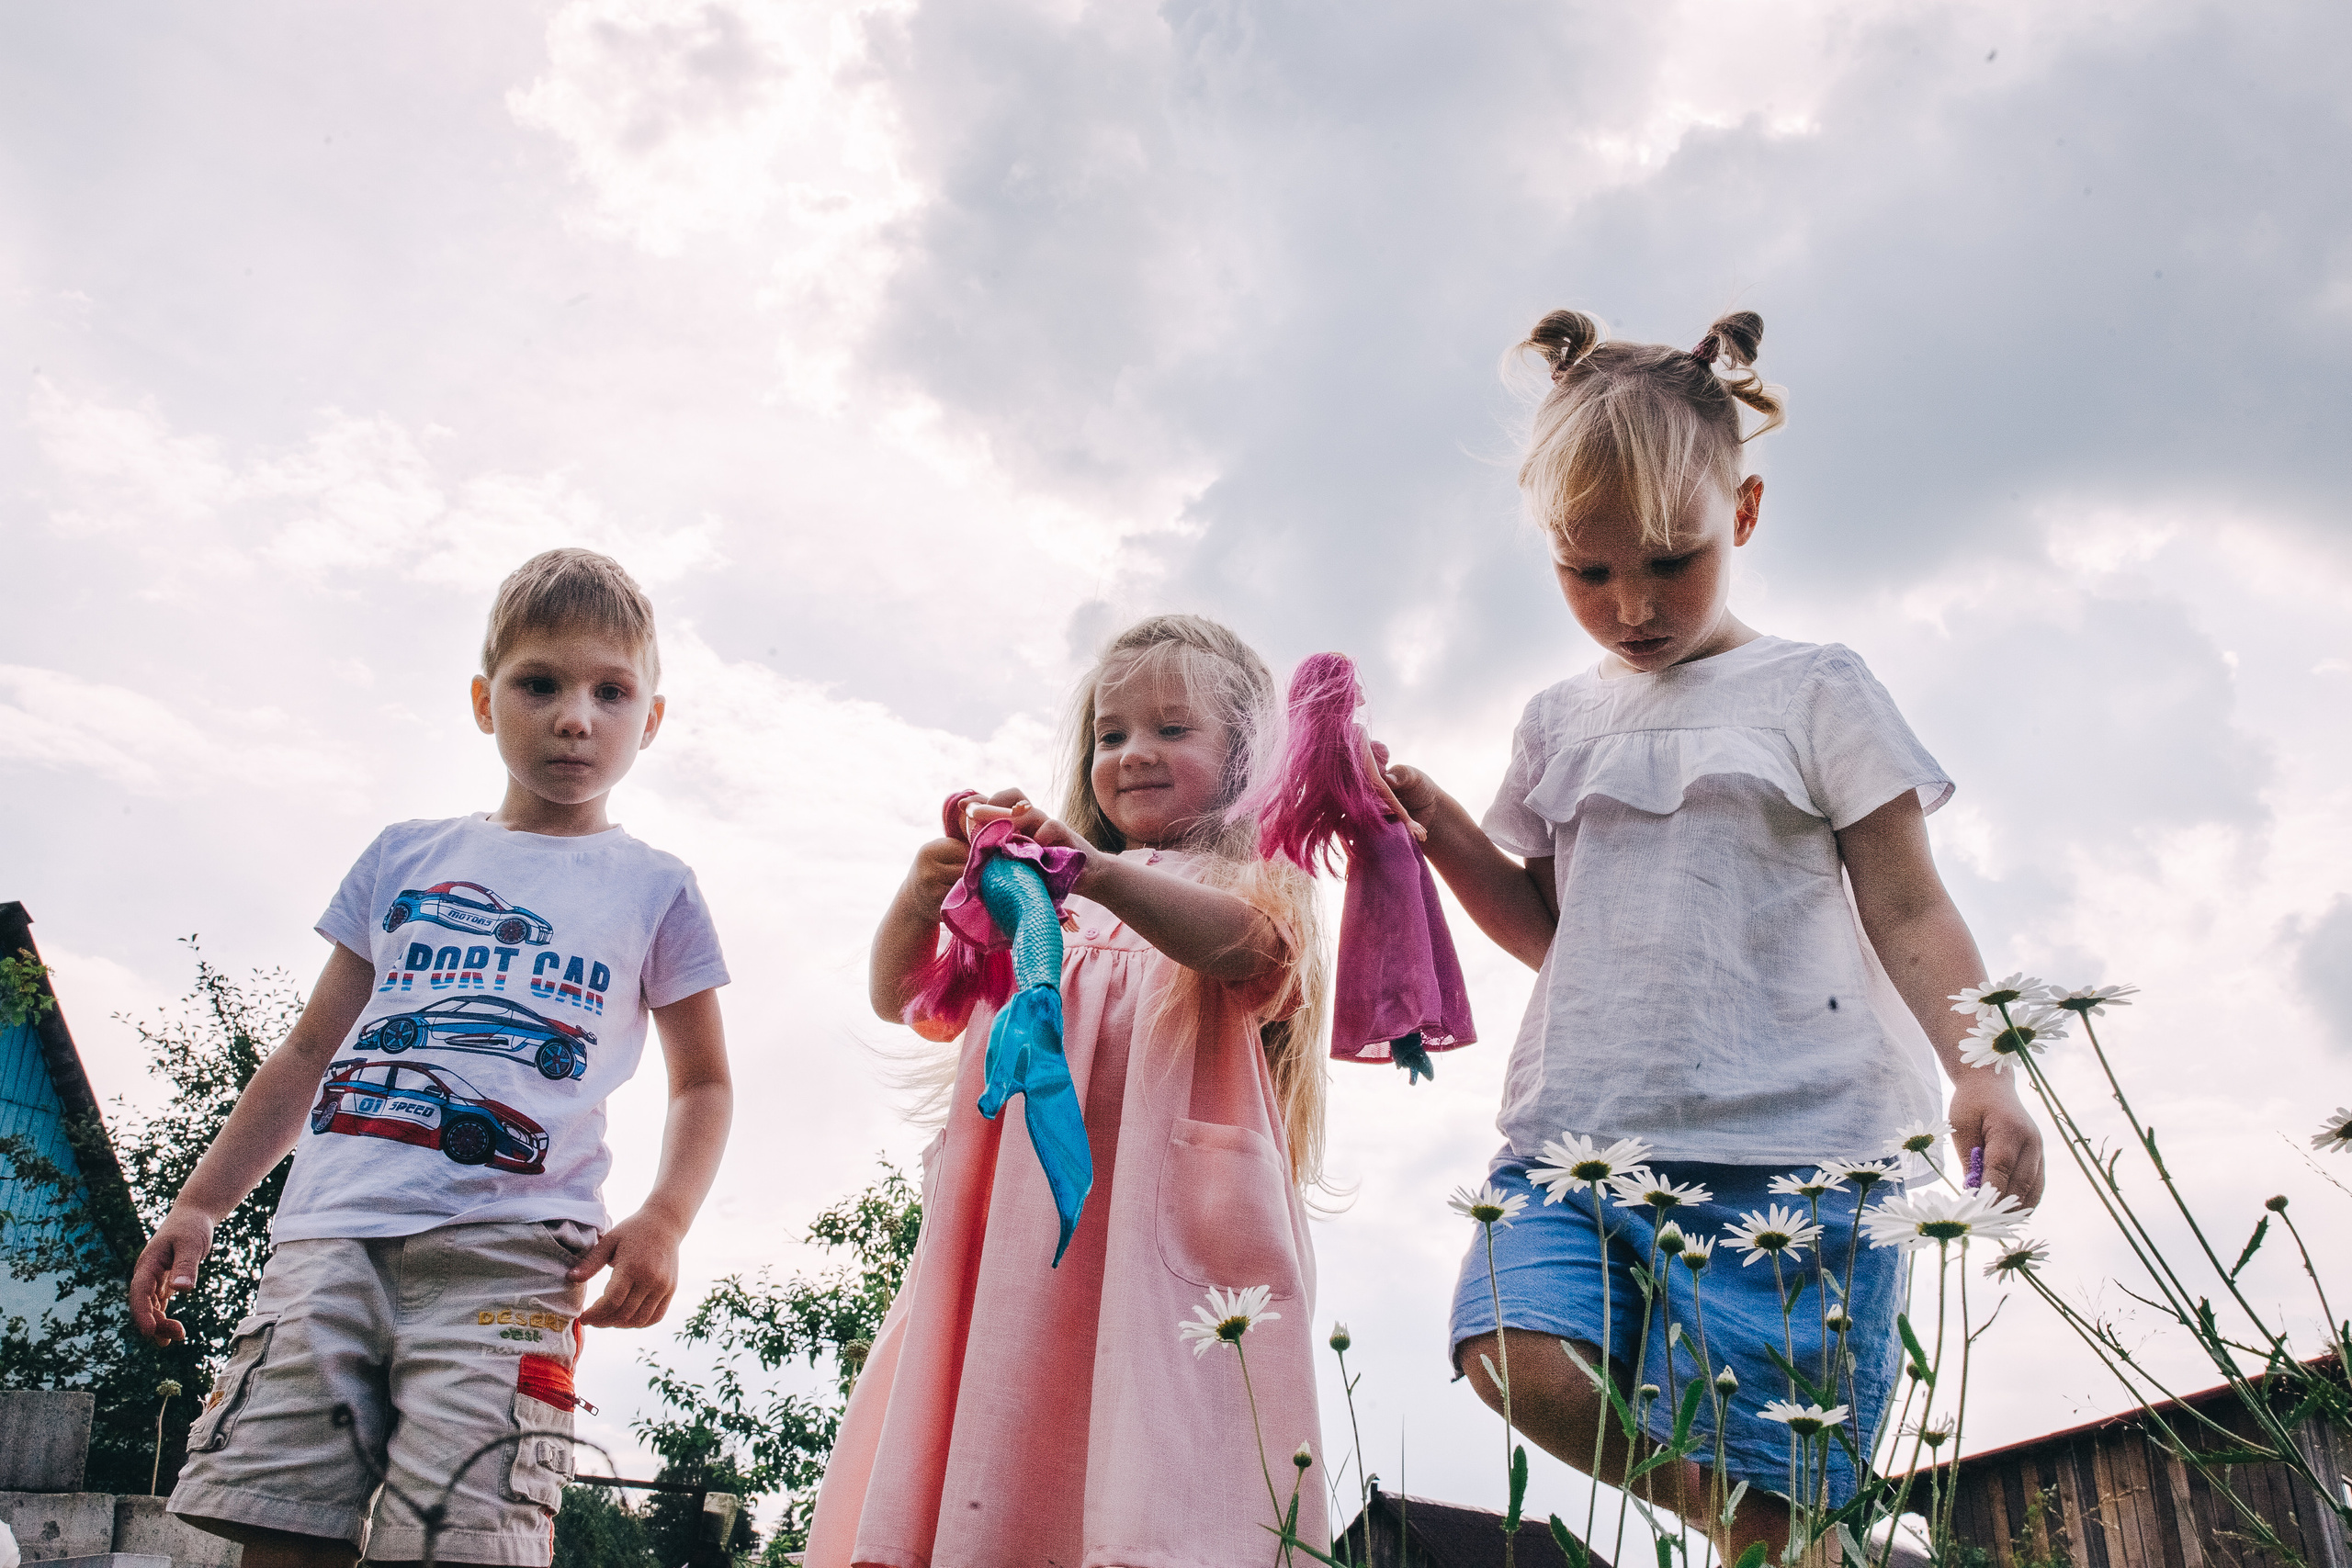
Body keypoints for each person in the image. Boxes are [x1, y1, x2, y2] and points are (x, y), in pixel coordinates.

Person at [1382, 310, 2046, 1557]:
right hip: (1583, 1139)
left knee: (1774, 1530)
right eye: (1590, 573)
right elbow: (1552, 933)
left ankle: (1779, 1525)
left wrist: (1978, 1065)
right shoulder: (1557, 721)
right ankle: (1739, 1508)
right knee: (1513, 1351)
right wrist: (1441, 829)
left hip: (1796, 1157)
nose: (1632, 605)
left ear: (1741, 514)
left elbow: (1908, 904)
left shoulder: (1815, 689)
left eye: (1670, 561)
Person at [131, 548, 733, 1568]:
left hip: (512, 1261)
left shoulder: (654, 888)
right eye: (539, 683)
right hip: (332, 1244)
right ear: (483, 700)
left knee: (467, 1534)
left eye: (609, 691)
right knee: (279, 1520)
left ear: (652, 719)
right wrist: (201, 1203)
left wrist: (665, 1219)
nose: (573, 716)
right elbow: (313, 1049)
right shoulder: (405, 857)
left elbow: (706, 1082)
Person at [808, 614, 1331, 1568]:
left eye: (1172, 729)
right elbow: (902, 999)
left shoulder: (1244, 882)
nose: (1133, 754)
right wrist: (925, 896)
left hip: (1156, 1227)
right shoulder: (1034, 908)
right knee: (1004, 1426)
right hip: (1014, 1237)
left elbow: (1248, 953)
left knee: (1151, 1446)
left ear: (1247, 757)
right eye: (1111, 733)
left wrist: (1089, 873)